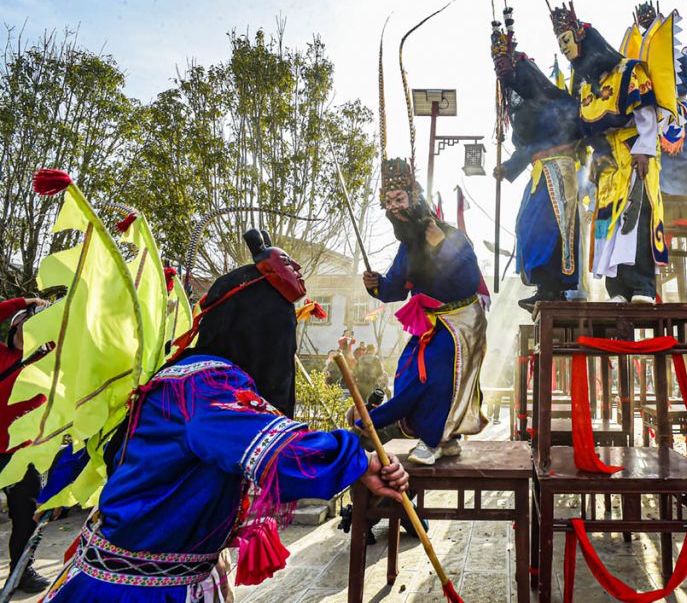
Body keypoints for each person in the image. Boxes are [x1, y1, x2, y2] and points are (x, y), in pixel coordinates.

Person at [40, 229, 410, 601]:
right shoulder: (205, 384)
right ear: (256, 326)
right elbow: (275, 451)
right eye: (282, 327)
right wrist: (359, 461)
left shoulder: (188, 377)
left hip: (176, 574)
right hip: (132, 591)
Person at [361, 157, 488, 465]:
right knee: (407, 373)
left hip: (461, 319)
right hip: (430, 322)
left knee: (431, 375)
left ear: (415, 198)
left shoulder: (449, 234)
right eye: (388, 202)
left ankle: (430, 441)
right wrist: (376, 285)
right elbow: (395, 288)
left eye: (399, 199)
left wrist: (442, 245)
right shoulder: (407, 248)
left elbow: (468, 279)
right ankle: (446, 440)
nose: (394, 207)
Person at [551, 3, 667, 303]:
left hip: (634, 151)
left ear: (581, 37)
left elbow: (646, 114)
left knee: (636, 216)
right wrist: (598, 153)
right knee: (607, 223)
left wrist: (644, 150)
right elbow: (586, 128)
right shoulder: (585, 88)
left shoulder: (628, 71)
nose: (564, 48)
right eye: (560, 44)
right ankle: (617, 290)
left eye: (566, 40)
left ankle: (642, 287)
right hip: (607, 161)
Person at [491, 9, 583, 312]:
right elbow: (528, 146)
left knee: (545, 226)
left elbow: (566, 126)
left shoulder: (549, 98)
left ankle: (553, 287)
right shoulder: (521, 103)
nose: (500, 70)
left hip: (559, 167)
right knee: (527, 224)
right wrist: (508, 167)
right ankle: (546, 288)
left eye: (503, 63)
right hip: (541, 170)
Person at [621, 1, 687, 197]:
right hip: (649, 115)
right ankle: (655, 196)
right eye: (644, 25)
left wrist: (669, 88)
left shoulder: (676, 55)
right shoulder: (638, 57)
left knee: (684, 156)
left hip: (677, 111)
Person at [0, 296, 50, 594]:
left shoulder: (51, 361)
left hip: (24, 453)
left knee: (25, 517)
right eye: (26, 321)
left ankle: (21, 572)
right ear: (13, 326)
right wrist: (24, 301)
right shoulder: (1, 355)